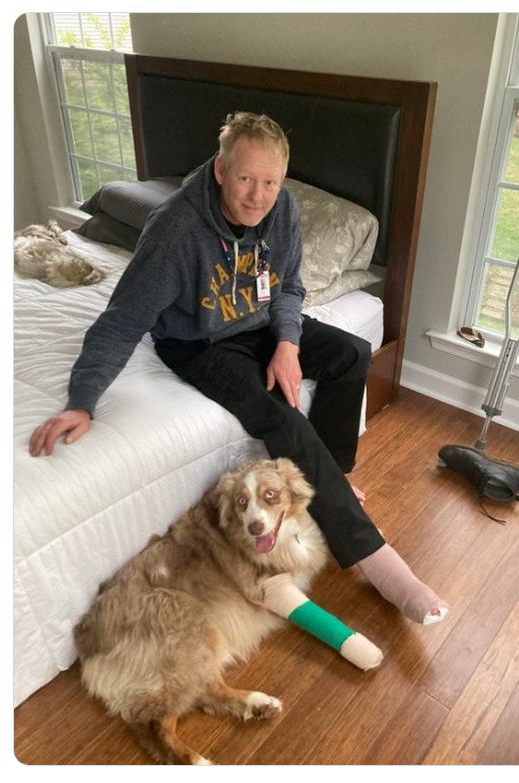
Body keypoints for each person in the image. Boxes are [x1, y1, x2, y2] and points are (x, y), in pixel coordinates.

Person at [29, 112, 448, 625]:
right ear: (222, 170)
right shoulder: (175, 231)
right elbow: (121, 321)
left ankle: (328, 479)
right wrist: (82, 400)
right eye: (246, 178)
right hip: (199, 342)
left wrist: (288, 343)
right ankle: (379, 562)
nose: (257, 195)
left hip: (261, 324)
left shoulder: (284, 211)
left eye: (270, 182)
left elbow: (289, 286)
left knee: (352, 355)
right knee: (280, 418)